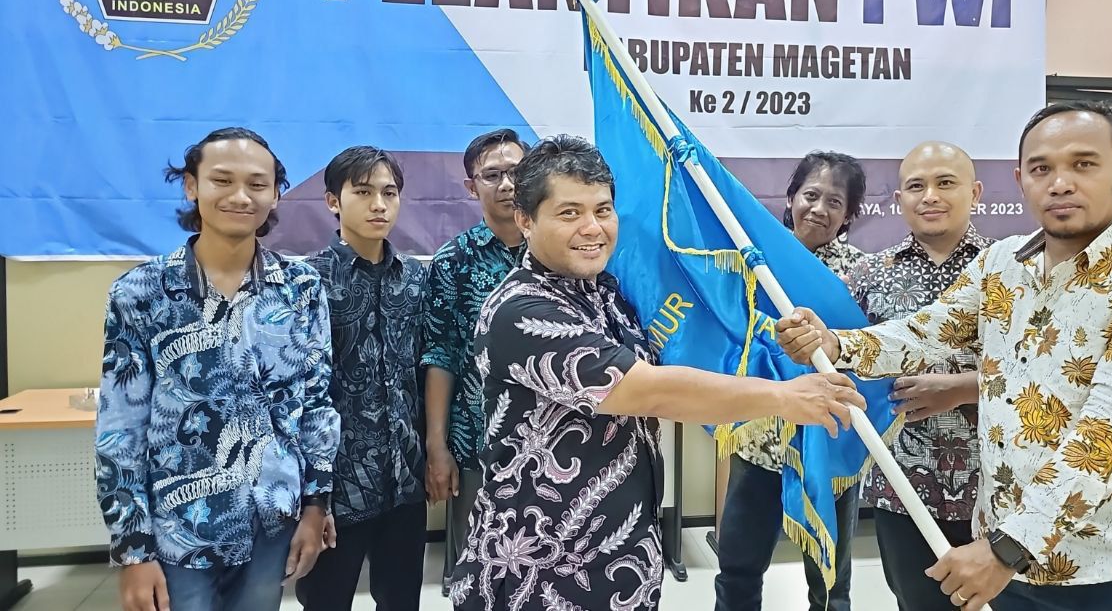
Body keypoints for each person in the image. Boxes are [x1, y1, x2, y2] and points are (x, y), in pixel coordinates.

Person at [779, 102, 1112, 611]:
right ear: (1021, 180)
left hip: (1097, 563)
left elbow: (1110, 435)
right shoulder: (1003, 263)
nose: (1061, 183)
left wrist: (1008, 548)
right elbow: (925, 333)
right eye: (1042, 168)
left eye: (1083, 164)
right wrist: (836, 344)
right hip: (1002, 549)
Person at [448, 135, 866, 611]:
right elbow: (646, 390)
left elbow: (690, 350)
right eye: (569, 213)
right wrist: (785, 397)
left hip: (618, 559)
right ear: (525, 219)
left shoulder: (608, 294)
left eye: (602, 210)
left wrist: (788, 339)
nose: (592, 228)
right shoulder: (520, 310)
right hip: (539, 570)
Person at [96, 128, 339, 611]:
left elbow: (315, 404)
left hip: (272, 520)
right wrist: (133, 551)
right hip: (178, 529)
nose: (240, 196)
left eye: (257, 184)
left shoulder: (301, 288)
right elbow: (120, 429)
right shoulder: (140, 293)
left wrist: (316, 506)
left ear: (276, 194)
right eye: (222, 180)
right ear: (192, 186)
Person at [714, 150, 868, 611]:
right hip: (760, 436)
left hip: (829, 442)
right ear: (791, 197)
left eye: (834, 202)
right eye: (810, 195)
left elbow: (871, 354)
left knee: (830, 585)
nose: (819, 209)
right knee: (738, 569)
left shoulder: (861, 274)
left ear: (849, 215)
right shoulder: (753, 260)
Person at [848, 142, 993, 611]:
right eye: (916, 186)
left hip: (998, 487)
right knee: (916, 602)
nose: (930, 196)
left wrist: (963, 389)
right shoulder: (868, 275)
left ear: (975, 192)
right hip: (901, 486)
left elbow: (1044, 371)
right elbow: (847, 362)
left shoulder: (1013, 272)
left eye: (945, 183)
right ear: (899, 200)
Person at [296, 147, 429, 610]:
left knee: (401, 600)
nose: (379, 205)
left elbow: (423, 371)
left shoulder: (415, 279)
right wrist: (310, 494)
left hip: (403, 480)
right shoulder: (306, 281)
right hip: (337, 485)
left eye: (389, 193)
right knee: (326, 600)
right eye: (364, 192)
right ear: (333, 201)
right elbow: (297, 390)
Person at [422, 128, 527, 592]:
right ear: (471, 187)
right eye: (492, 175)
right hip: (477, 443)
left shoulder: (559, 252)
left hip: (558, 444)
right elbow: (440, 354)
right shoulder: (453, 262)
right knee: (477, 573)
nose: (507, 184)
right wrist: (437, 445)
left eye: (516, 173)